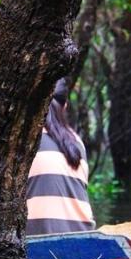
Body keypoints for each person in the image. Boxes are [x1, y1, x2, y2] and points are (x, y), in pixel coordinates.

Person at [25, 79, 95, 235]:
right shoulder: (76, 142)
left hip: (38, 238)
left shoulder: (25, 141)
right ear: (65, 105)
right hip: (84, 236)